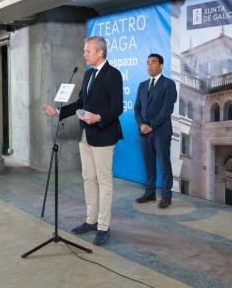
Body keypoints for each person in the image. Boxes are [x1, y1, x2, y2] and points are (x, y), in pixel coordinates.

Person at [43, 36, 123, 246]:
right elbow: (81, 102)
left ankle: (103, 226)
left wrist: (99, 117)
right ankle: (91, 220)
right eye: (84, 50)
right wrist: (58, 111)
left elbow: (118, 107)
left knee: (104, 182)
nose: (84, 54)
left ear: (100, 52)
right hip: (85, 135)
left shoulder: (113, 74)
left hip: (104, 135)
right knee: (88, 179)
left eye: (87, 51)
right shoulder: (88, 74)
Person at [134, 54, 177, 209]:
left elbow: (167, 109)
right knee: (149, 163)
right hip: (144, 132)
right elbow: (137, 108)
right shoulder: (142, 85)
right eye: (147, 63)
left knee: (164, 164)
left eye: (153, 62)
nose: (149, 65)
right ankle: (150, 192)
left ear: (161, 65)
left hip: (160, 132)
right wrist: (141, 125)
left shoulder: (168, 84)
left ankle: (166, 195)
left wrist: (151, 125)